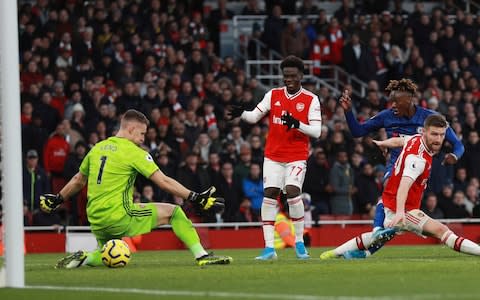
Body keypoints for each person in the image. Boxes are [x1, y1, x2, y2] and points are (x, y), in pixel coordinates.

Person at [40, 109, 232, 268]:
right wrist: (196, 196)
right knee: (174, 212)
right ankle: (201, 256)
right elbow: (163, 181)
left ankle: (84, 258)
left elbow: (77, 180)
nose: (142, 139)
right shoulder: (133, 152)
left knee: (109, 253)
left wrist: (57, 199)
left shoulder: (98, 147)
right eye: (141, 134)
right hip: (119, 215)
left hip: (96, 218)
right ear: (131, 129)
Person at [329, 78, 464, 259]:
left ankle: (368, 251)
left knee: (399, 219)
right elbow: (358, 132)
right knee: (390, 192)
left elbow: (458, 145)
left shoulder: (429, 118)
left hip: (419, 170)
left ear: (409, 101)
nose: (392, 105)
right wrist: (348, 112)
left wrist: (454, 156)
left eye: (396, 101)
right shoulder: (387, 116)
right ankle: (376, 230)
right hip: (395, 165)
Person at [227, 55, 322, 260]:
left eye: (292, 76)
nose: (288, 79)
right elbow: (253, 116)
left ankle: (299, 242)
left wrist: (297, 124)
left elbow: (317, 132)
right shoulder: (273, 95)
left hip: (296, 156)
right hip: (273, 156)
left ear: (301, 76)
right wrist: (241, 113)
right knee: (269, 194)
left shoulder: (311, 99)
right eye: (285, 76)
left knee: (292, 191)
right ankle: (269, 248)